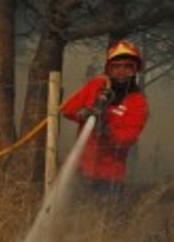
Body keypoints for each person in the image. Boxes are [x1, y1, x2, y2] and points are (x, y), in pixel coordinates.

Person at [60, 40, 150, 198]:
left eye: (128, 67)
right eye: (116, 66)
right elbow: (67, 109)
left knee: (102, 219)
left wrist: (106, 129)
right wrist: (83, 114)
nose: (121, 72)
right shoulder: (96, 86)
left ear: (135, 71)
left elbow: (128, 137)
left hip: (109, 177)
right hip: (81, 169)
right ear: (108, 69)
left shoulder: (137, 102)